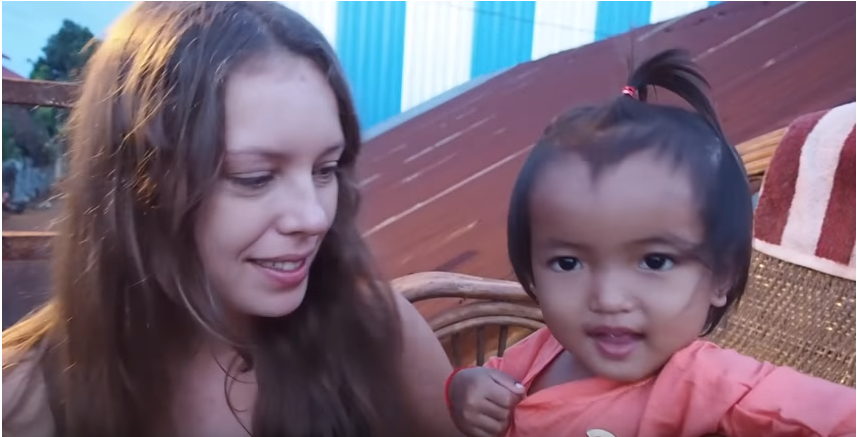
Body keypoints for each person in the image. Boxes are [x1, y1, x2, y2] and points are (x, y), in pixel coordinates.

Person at [2, 3, 463, 437]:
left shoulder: (377, 330)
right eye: (255, 177)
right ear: (139, 185)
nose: (314, 217)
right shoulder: (24, 397)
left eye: (325, 170)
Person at [446, 49, 856, 437]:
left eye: (655, 261)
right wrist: (465, 386)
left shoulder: (703, 381)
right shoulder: (548, 347)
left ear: (722, 278)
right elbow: (491, 377)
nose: (608, 299)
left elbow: (835, 415)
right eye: (568, 263)